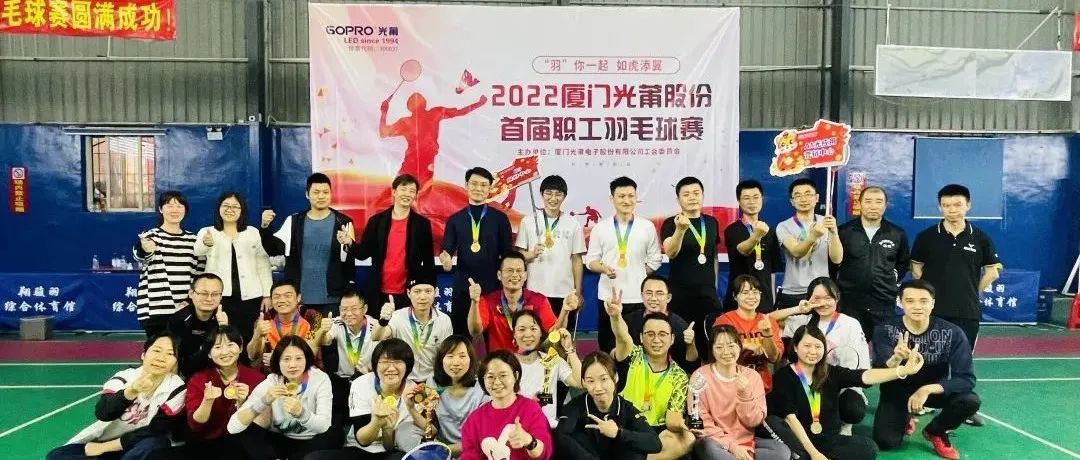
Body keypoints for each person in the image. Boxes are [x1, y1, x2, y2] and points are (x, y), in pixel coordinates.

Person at [770, 325, 926, 460]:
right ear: (795, 347)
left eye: (818, 346)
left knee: (868, 448)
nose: (813, 351)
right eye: (807, 346)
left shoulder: (830, 372)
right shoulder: (784, 376)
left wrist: (902, 370)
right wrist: (815, 454)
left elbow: (865, 376)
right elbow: (790, 419)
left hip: (827, 440)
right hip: (799, 441)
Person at [872, 279, 981, 459]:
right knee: (886, 441)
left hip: (932, 391)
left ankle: (935, 431)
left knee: (969, 400)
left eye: (923, 301)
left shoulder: (952, 333)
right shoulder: (885, 329)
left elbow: (966, 379)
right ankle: (904, 417)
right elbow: (878, 372)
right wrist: (896, 358)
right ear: (900, 302)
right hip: (896, 391)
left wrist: (926, 389)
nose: (917, 306)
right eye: (910, 301)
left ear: (933, 303)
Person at [47, 333, 186, 460]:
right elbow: (103, 413)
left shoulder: (177, 388)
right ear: (143, 355)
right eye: (156, 350)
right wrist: (131, 391)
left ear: (176, 362)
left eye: (170, 353)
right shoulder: (125, 377)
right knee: (56, 456)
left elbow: (155, 430)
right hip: (104, 440)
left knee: (154, 444)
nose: (161, 358)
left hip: (138, 445)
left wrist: (104, 447)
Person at [149, 325, 265, 460]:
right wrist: (207, 401)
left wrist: (243, 403)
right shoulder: (199, 379)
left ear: (240, 348)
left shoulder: (257, 379)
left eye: (230, 345)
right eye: (218, 347)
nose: (225, 352)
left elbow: (261, 425)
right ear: (209, 353)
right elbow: (196, 425)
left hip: (242, 444)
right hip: (204, 445)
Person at [771, 277, 869, 435]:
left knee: (852, 409)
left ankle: (845, 424)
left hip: (837, 382)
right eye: (817, 298)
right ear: (809, 299)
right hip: (807, 381)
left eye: (828, 298)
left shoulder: (850, 324)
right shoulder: (802, 321)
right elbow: (767, 320)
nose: (822, 303)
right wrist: (798, 309)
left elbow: (860, 365)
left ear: (837, 298)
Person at [911, 184, 1000, 351]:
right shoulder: (925, 237)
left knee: (963, 358)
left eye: (958, 205)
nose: (952, 210)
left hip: (967, 311)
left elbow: (992, 273)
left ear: (968, 205)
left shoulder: (981, 238)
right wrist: (928, 292)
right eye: (946, 205)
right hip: (932, 311)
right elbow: (916, 268)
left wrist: (972, 291)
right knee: (930, 358)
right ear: (940, 207)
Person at [305, 338, 425, 460]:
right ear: (375, 364)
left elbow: (389, 446)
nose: (391, 368)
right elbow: (362, 441)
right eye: (385, 362)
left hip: (393, 451)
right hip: (358, 449)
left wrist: (388, 430)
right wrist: (376, 422)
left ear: (408, 365)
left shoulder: (414, 392)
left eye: (398, 362)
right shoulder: (361, 384)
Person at [607, 295, 694, 460]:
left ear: (672, 339)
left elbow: (672, 420)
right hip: (626, 427)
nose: (656, 340)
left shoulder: (679, 376)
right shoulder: (632, 355)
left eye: (662, 334)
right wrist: (616, 316)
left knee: (687, 439)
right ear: (641, 337)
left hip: (655, 432)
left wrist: (683, 425)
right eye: (650, 334)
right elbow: (622, 336)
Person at [263, 173, 360, 316]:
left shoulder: (344, 222)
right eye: (316, 192)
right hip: (298, 299)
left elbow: (352, 258)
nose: (321, 196)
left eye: (325, 192)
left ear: (331, 194)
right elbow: (273, 250)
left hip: (333, 299)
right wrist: (265, 228)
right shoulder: (293, 222)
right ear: (307, 195)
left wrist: (349, 243)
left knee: (329, 331)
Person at [586, 176, 663, 354]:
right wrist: (603, 268)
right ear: (611, 199)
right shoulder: (600, 228)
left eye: (631, 196)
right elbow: (591, 261)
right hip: (609, 298)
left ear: (636, 197)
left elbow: (655, 259)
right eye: (621, 196)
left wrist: (639, 273)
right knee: (608, 346)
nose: (626, 201)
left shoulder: (647, 226)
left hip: (638, 298)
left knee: (637, 347)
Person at [227, 336, 336, 459]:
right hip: (281, 439)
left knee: (332, 436)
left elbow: (323, 426)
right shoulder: (272, 381)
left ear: (307, 359)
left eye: (299, 358)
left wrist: (301, 413)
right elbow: (232, 427)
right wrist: (264, 401)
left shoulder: (320, 378)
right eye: (286, 359)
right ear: (278, 362)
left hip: (313, 438)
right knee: (247, 427)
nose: (292, 365)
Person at [691, 325, 790, 460]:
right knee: (708, 448)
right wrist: (732, 446)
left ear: (739, 347)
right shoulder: (700, 377)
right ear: (712, 350)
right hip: (715, 441)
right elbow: (698, 422)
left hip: (746, 441)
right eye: (719, 347)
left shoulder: (753, 376)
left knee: (782, 452)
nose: (726, 352)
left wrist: (744, 394)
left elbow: (755, 421)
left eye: (731, 346)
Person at [440, 167, 514, 336]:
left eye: (483, 185)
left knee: (495, 337)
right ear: (466, 185)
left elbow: (507, 254)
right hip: (463, 287)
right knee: (461, 336)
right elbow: (447, 251)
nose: (478, 188)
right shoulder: (455, 220)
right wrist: (446, 260)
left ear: (489, 188)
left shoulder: (500, 219)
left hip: (492, 288)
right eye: (474, 184)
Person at [194, 192, 274, 345]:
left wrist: (267, 294)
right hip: (220, 297)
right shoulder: (208, 231)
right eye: (225, 206)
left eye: (235, 207)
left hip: (251, 297)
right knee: (222, 337)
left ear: (242, 210)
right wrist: (206, 243)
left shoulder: (253, 233)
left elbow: (263, 264)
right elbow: (198, 250)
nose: (229, 209)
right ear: (219, 208)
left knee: (249, 336)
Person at [553, 351, 662, 460]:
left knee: (635, 448)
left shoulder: (625, 408)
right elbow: (561, 437)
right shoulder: (576, 406)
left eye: (604, 379)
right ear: (583, 382)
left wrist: (619, 433)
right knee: (576, 437)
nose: (598, 388)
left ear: (615, 377)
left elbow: (655, 443)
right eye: (591, 381)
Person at [350, 174, 435, 308]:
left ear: (415, 195)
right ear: (394, 192)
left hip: (409, 292)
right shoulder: (376, 221)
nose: (407, 194)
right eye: (403, 189)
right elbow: (363, 254)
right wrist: (349, 243)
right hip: (378, 291)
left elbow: (428, 261)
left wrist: (431, 289)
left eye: (412, 191)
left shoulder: (422, 224)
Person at [836, 186, 910, 339]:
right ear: (860, 204)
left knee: (884, 348)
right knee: (851, 347)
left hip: (883, 302)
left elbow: (903, 263)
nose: (873, 206)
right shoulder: (844, 231)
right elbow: (834, 264)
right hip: (850, 303)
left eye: (878, 201)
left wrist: (891, 279)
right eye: (868, 201)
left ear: (885, 205)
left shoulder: (897, 233)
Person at [515, 175, 586, 331]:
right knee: (535, 336)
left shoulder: (573, 224)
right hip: (535, 292)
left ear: (564, 196)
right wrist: (531, 254)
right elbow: (519, 258)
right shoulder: (528, 221)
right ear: (542, 194)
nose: (553, 198)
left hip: (564, 293)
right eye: (548, 193)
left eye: (558, 194)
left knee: (562, 337)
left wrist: (578, 292)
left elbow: (576, 259)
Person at [660, 176, 722, 354]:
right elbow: (670, 252)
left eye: (696, 193)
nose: (692, 197)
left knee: (710, 343)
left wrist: (714, 286)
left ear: (703, 196)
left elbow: (713, 257)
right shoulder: (670, 223)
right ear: (678, 199)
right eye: (686, 194)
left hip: (707, 295)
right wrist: (680, 230)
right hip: (680, 295)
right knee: (682, 343)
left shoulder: (711, 222)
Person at [468, 251, 572, 353]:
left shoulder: (539, 300)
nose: (515, 275)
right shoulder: (488, 301)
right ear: (499, 275)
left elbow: (555, 333)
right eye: (509, 270)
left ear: (525, 275)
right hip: (499, 361)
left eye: (519, 270)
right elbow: (475, 331)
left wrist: (565, 311)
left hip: (530, 361)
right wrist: (474, 302)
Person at [459, 351, 552, 460]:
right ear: (483, 380)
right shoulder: (474, 419)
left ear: (516, 376)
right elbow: (469, 455)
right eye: (490, 377)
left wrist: (529, 441)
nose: (497, 382)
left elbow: (545, 452)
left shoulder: (531, 409)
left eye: (503, 375)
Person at [133, 190, 202, 336]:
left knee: (184, 349)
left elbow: (199, 273)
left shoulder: (194, 240)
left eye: (179, 206)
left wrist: (191, 302)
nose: (174, 210)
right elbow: (139, 256)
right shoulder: (151, 236)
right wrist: (145, 249)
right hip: (155, 310)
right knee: (158, 349)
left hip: (185, 309)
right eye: (169, 205)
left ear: (185, 210)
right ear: (160, 209)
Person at [319, 288, 382, 431]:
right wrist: (323, 330)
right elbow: (325, 341)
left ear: (364, 309)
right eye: (344, 309)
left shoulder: (375, 326)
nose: (348, 313)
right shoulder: (337, 323)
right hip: (343, 380)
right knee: (336, 422)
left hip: (367, 379)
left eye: (354, 309)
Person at [372, 274, 454, 383]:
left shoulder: (444, 320)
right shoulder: (397, 316)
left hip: (433, 381)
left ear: (435, 292)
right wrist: (383, 321)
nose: (423, 297)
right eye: (417, 291)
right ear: (408, 293)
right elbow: (376, 337)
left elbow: (447, 354)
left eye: (428, 291)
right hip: (403, 380)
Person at [775, 178, 843, 308]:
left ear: (817, 198)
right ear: (792, 201)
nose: (803, 199)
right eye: (798, 195)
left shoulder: (826, 222)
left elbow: (837, 259)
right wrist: (813, 237)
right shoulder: (784, 226)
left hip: (822, 290)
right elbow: (796, 253)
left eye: (808, 194)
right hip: (793, 292)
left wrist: (834, 232)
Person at [713, 275, 784, 393]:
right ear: (735, 296)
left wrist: (767, 334)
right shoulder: (724, 320)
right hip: (731, 384)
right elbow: (717, 351)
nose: (751, 297)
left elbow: (774, 358)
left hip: (761, 386)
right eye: (745, 292)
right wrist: (745, 345)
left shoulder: (768, 321)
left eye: (755, 292)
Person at [511, 310, 582, 427]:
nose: (528, 334)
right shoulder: (505, 364)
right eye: (522, 329)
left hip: (548, 429)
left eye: (533, 329)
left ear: (541, 333)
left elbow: (579, 382)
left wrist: (569, 349)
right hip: (516, 428)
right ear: (514, 334)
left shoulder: (553, 360)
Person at [723, 180, 782, 312]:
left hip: (764, 301)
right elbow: (743, 250)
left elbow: (772, 272)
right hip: (738, 299)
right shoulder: (732, 230)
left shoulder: (770, 231)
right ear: (739, 201)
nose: (752, 202)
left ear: (762, 199)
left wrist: (773, 301)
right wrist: (756, 236)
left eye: (756, 197)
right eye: (746, 198)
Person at [425, 335, 489, 456]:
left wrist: (444, 450)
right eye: (450, 356)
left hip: (473, 451)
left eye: (462, 356)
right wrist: (411, 408)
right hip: (441, 450)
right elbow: (431, 427)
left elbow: (483, 436)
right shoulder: (432, 382)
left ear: (471, 359)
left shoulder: (483, 386)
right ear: (441, 359)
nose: (456, 363)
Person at [246, 280, 330, 372]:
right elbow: (252, 356)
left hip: (307, 373)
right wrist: (257, 335)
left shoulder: (312, 318)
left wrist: (277, 359)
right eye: (277, 297)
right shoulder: (265, 320)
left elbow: (311, 353)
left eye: (288, 295)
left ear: (298, 297)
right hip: (273, 375)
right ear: (271, 300)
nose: (282, 300)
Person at [621, 275, 698, 369]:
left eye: (659, 293)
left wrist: (691, 344)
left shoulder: (680, 326)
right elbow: (615, 354)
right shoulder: (628, 321)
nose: (653, 298)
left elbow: (691, 365)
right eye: (649, 293)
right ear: (641, 295)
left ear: (668, 297)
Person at [166, 273, 230, 378]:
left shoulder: (228, 317)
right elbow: (173, 356)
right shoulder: (178, 319)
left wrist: (224, 328)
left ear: (221, 296)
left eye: (215, 294)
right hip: (190, 375)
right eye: (204, 293)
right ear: (191, 293)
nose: (209, 299)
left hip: (222, 374)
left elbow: (234, 356)